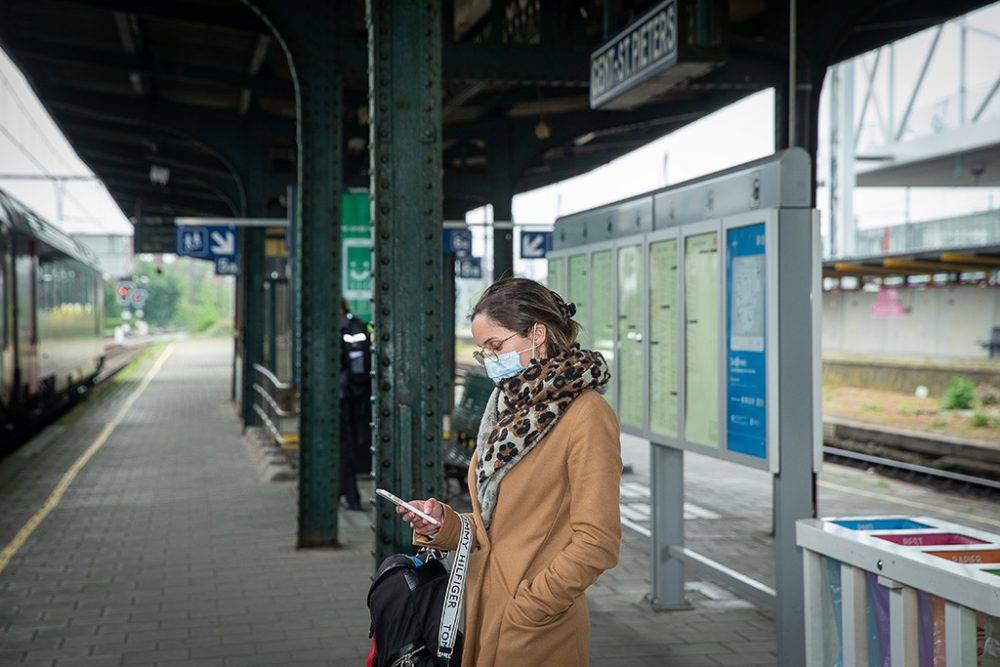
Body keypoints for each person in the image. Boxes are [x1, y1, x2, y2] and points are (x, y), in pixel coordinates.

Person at [396, 278, 622, 667]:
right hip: (488, 607)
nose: (489, 359)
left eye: (495, 347)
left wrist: (531, 606)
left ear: (537, 333)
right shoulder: (507, 407)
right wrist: (444, 525)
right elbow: (500, 525)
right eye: (484, 350)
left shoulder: (586, 415)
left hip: (536, 629)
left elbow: (597, 541)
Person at [339, 299, 371, 511]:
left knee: (344, 446)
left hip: (345, 397)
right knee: (344, 446)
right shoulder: (354, 326)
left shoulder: (348, 327)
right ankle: (347, 495)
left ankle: (351, 496)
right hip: (351, 395)